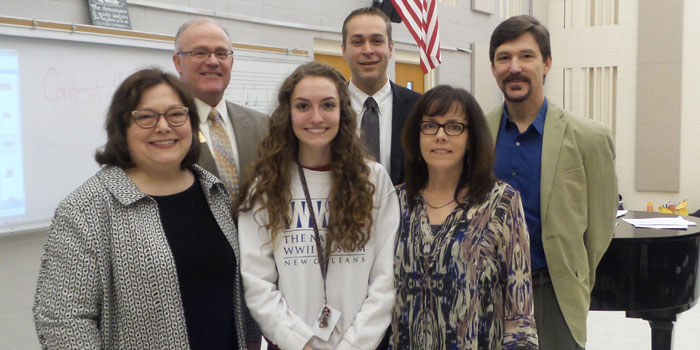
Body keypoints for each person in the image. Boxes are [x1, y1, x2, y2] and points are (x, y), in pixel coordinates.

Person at [33, 68, 259, 349]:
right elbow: (61, 320)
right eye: (145, 117)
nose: (163, 126)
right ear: (121, 128)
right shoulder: (86, 209)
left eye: (176, 114)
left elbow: (239, 287)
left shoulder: (214, 192)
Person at [237, 62, 399, 350]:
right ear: (287, 113)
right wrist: (301, 344)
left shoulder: (373, 180)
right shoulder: (265, 187)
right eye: (302, 106)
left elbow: (385, 280)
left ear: (343, 112)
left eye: (327, 105)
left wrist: (353, 346)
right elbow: (258, 284)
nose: (316, 117)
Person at [486, 15, 618, 349]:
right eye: (504, 57)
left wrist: (572, 276)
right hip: (486, 296)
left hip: (553, 295)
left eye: (526, 56)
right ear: (493, 68)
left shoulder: (588, 138)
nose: (514, 67)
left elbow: (600, 229)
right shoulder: (475, 135)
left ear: (546, 64)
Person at [391, 85, 538, 349]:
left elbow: (519, 314)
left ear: (471, 139)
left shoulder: (501, 202)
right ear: (417, 136)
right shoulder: (395, 202)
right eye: (430, 126)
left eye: (454, 127)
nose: (440, 136)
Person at [173, 18, 267, 198]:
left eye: (222, 54)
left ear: (231, 63)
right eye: (200, 53)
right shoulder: (163, 129)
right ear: (178, 62)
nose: (213, 61)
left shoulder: (262, 125)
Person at [342, 6, 421, 185]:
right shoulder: (328, 109)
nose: (368, 50)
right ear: (344, 50)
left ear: (390, 48)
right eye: (357, 42)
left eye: (377, 41)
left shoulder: (420, 108)